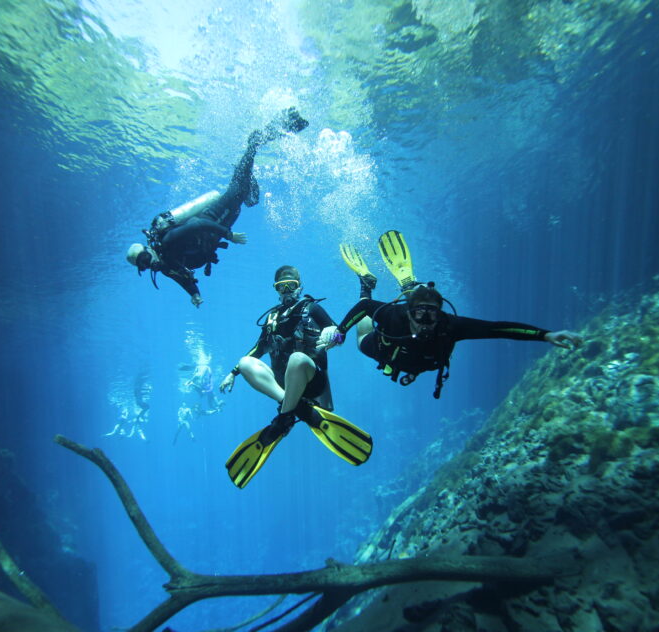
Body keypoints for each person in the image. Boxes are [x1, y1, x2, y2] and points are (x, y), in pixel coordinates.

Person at [330, 230, 585, 399]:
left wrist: (547, 335)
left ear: (440, 313)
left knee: (414, 304)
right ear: (409, 312)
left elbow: (498, 329)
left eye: (432, 314)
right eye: (419, 314)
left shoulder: (450, 326)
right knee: (364, 322)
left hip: (411, 361)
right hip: (381, 348)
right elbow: (363, 310)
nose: (426, 322)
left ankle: (412, 288)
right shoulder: (394, 315)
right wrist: (341, 332)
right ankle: (367, 285)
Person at [126, 107, 309, 307]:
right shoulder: (166, 266)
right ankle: (257, 149)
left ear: (147, 249)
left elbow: (197, 223)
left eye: (144, 258)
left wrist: (229, 235)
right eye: (142, 266)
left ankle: (255, 141)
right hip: (220, 225)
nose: (147, 264)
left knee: (239, 188)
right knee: (247, 196)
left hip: (215, 215)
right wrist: (194, 294)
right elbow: (183, 279)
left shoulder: (168, 241)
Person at [217, 266, 373, 488]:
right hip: (285, 387)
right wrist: (232, 373)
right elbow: (258, 348)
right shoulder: (271, 318)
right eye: (282, 287)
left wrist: (333, 335)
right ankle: (295, 411)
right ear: (276, 290)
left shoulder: (313, 308)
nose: (287, 291)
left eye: (291, 286)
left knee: (297, 358)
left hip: (311, 380)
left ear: (300, 287)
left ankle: (283, 418)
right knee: (244, 363)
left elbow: (339, 334)